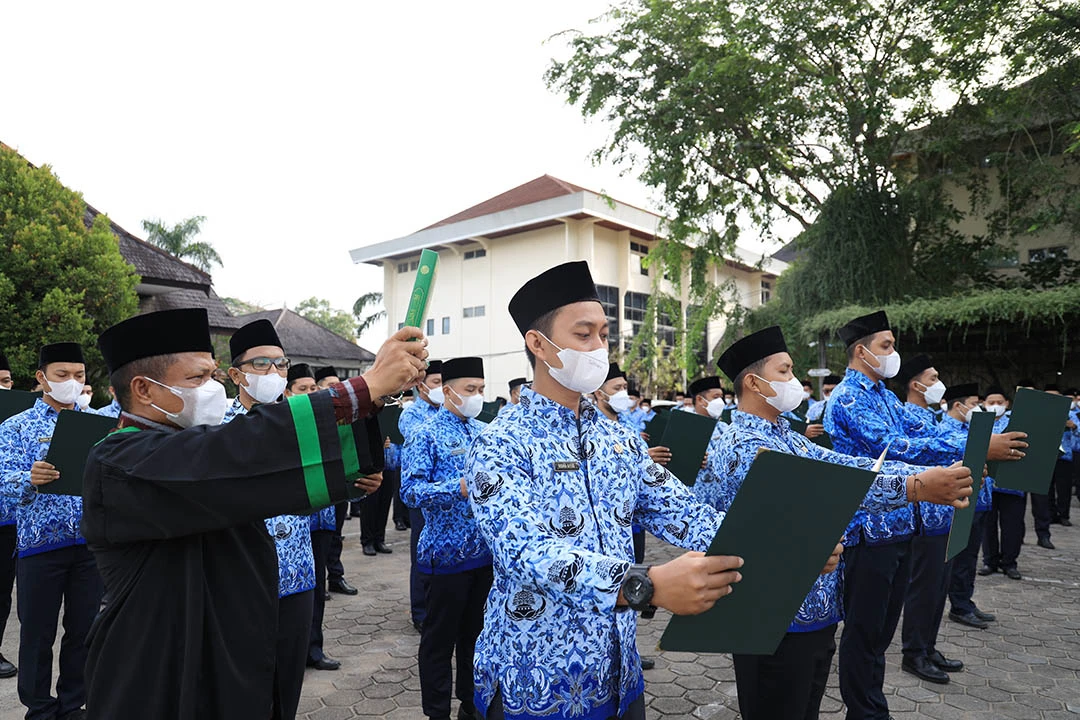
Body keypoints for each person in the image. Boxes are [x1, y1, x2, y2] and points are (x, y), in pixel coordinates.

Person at [81, 308, 424, 719]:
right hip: (154, 666)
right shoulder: (117, 460)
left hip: (229, 646)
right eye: (198, 378)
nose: (212, 388)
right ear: (144, 389)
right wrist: (364, 387)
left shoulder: (195, 444)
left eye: (213, 375)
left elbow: (261, 483)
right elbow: (235, 453)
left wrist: (373, 403)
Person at [466, 261, 748, 720]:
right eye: (584, 335)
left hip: (618, 673)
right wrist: (647, 585)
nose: (599, 347)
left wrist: (782, 547)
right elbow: (525, 552)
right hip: (535, 680)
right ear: (538, 344)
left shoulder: (619, 439)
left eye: (603, 334)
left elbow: (686, 513)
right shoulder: (500, 442)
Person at [707, 326, 971, 720]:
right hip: (771, 616)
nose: (794, 381)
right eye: (784, 371)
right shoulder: (743, 444)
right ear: (753, 383)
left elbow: (846, 465)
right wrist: (917, 486)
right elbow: (826, 486)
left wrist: (926, 477)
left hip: (815, 608)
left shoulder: (787, 437)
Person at [823, 310, 1027, 720]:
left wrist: (980, 441)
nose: (893, 353)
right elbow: (894, 446)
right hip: (867, 530)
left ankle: (871, 707)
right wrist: (975, 447)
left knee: (881, 633)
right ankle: (865, 711)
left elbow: (928, 434)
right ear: (861, 351)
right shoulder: (847, 398)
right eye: (886, 345)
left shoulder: (883, 396)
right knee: (864, 632)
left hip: (900, 525)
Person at [223, 319, 341, 720]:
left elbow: (319, 490)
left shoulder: (302, 422)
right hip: (240, 583)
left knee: (288, 684)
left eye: (280, 364)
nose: (274, 372)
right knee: (244, 689)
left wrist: (353, 482)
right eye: (261, 364)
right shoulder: (216, 427)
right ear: (236, 374)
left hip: (298, 575)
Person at [0, 342, 103, 720]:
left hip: (90, 543)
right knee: (37, 633)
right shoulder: (16, 426)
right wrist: (28, 478)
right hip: (39, 546)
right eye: (62, 375)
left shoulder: (100, 424)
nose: (71, 382)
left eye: (79, 375)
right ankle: (39, 707)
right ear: (42, 378)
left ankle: (73, 704)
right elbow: (2, 481)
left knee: (84, 629)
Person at [402, 357, 492, 720]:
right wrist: (458, 488)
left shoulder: (486, 432)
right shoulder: (425, 434)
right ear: (448, 390)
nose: (477, 396)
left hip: (484, 556)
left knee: (476, 636)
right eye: (470, 389)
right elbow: (410, 491)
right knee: (439, 642)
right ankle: (437, 711)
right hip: (444, 557)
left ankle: (471, 704)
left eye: (481, 389)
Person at [899, 381, 980, 684]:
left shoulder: (931, 417)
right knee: (924, 587)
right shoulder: (907, 416)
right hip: (925, 514)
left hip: (945, 513)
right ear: (915, 383)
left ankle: (928, 647)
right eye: (932, 378)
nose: (938, 383)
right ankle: (914, 653)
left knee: (938, 586)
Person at [283, 364, 343, 672]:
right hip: (288, 525)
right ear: (287, 393)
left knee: (316, 587)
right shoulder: (278, 425)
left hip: (322, 518)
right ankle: (290, 652)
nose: (310, 393)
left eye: (313, 389)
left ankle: (313, 649)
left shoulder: (324, 423)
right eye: (302, 389)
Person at [948, 385, 1008, 628]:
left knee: (971, 556)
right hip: (962, 502)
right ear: (958, 405)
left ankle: (965, 601)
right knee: (960, 558)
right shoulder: (945, 431)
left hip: (980, 501)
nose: (980, 409)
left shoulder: (972, 428)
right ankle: (959, 606)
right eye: (975, 404)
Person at [399, 359, 443, 632]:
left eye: (443, 383)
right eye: (436, 382)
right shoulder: (412, 415)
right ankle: (420, 611)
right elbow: (423, 443)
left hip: (448, 499)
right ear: (421, 385)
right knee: (421, 553)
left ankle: (438, 608)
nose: (440, 388)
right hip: (423, 495)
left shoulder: (450, 412)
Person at [313, 366, 361, 596]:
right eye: (330, 386)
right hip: (317, 485)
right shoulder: (311, 417)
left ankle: (335, 576)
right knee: (316, 537)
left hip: (339, 482)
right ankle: (317, 581)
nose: (335, 389)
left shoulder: (343, 416)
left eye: (338, 385)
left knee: (335, 534)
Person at [980, 388, 1026, 580]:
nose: (995, 405)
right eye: (991, 402)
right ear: (984, 404)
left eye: (999, 402)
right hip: (987, 484)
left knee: (1012, 525)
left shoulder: (1018, 421)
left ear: (1007, 403)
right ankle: (989, 561)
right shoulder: (979, 422)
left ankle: (1009, 563)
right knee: (987, 525)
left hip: (1013, 483)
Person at [0, 351, 16, 680]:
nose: (4, 388)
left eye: (6, 381)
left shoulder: (19, 422)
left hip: (8, 521)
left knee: (2, 591)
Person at [1045, 384, 1079, 526]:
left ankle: (1063, 514)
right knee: (1046, 488)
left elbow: (1078, 431)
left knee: (1064, 487)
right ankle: (1050, 514)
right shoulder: (1041, 413)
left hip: (1064, 456)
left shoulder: (1071, 414)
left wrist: (1074, 426)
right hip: (1045, 455)